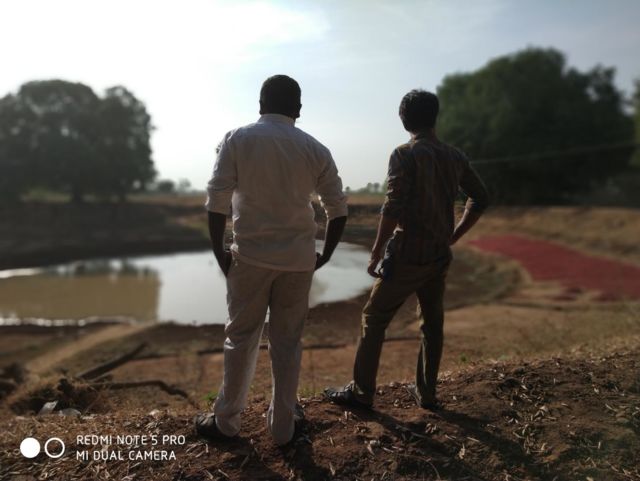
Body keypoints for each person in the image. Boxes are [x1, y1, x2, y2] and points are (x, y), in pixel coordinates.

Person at [194, 75, 348, 446]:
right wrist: (325, 254)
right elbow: (338, 209)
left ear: (261, 104)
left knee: (240, 338)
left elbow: (217, 201)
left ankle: (226, 421)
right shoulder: (315, 149)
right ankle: (283, 428)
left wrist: (219, 252)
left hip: (249, 258)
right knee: (288, 342)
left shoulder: (237, 139)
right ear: (298, 109)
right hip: (298, 261)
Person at [325, 89, 489, 410]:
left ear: (403, 120)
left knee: (374, 318)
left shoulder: (405, 154)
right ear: (435, 117)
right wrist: (454, 234)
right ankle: (426, 393)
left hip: (407, 255)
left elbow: (393, 205)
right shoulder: (455, 156)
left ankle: (362, 392)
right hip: (438, 255)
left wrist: (376, 251)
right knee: (432, 324)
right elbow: (480, 197)